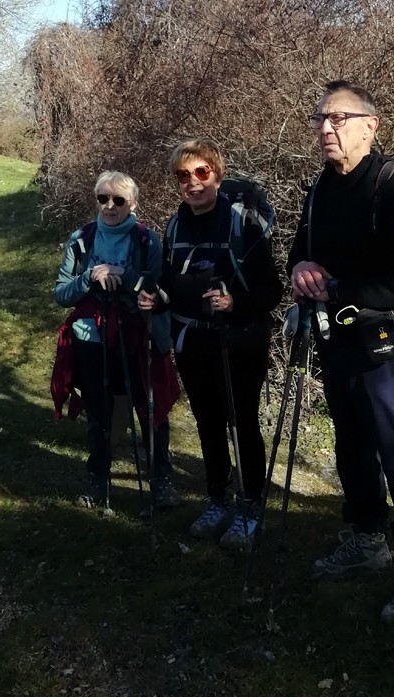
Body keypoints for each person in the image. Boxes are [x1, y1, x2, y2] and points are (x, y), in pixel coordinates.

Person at [287, 80, 394, 624]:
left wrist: (335, 288)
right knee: (352, 448)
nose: (326, 129)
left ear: (370, 125)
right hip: (340, 344)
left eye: (338, 118)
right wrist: (300, 269)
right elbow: (299, 250)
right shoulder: (319, 188)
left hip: (392, 347)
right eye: (320, 119)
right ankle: (366, 540)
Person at [140, 138, 283, 550]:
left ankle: (251, 506)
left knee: (242, 423)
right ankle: (217, 499)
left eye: (201, 172)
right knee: (207, 423)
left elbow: (271, 290)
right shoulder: (175, 225)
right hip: (193, 341)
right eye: (183, 175)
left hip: (239, 340)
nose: (193, 182)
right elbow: (171, 283)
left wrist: (236, 302)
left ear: (216, 174)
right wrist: (157, 297)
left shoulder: (243, 223)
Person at [53, 171, 178, 510]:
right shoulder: (80, 239)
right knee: (99, 413)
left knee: (151, 410)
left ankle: (161, 477)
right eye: (102, 198)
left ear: (132, 204)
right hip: (90, 339)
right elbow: (61, 294)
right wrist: (89, 277)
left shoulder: (147, 241)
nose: (109, 206)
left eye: (118, 200)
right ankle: (97, 477)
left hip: (137, 336)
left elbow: (162, 292)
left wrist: (127, 277)